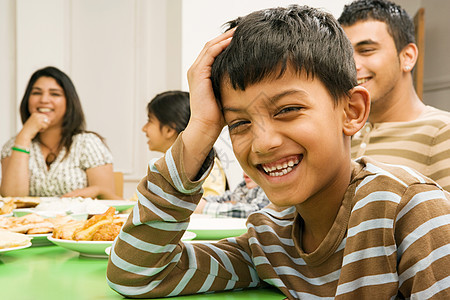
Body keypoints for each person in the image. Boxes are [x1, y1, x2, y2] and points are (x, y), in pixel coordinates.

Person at [107, 5, 450, 299]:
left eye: (287, 110)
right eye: (239, 123)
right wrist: (199, 129)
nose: (263, 142)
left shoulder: (412, 214)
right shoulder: (269, 242)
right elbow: (137, 273)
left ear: (351, 111)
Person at [338, 0, 450, 191]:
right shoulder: (343, 132)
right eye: (346, 55)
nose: (352, 65)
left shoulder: (442, 132)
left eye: (366, 50)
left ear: (407, 57)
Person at [1, 66, 119, 199]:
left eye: (55, 94)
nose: (44, 100)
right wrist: (24, 136)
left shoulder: (88, 143)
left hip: (79, 220)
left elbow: (108, 201)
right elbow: (12, 199)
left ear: (69, 102)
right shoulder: (13, 145)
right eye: (36, 93)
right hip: (29, 220)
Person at [140, 90, 228, 197]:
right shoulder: (161, 167)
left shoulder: (207, 167)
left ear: (169, 130)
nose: (144, 129)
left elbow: (207, 206)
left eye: (150, 120)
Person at [194, 172, 269, 218]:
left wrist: (205, 207)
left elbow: (255, 211)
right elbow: (225, 198)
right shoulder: (243, 186)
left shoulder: (268, 189)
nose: (246, 172)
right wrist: (203, 201)